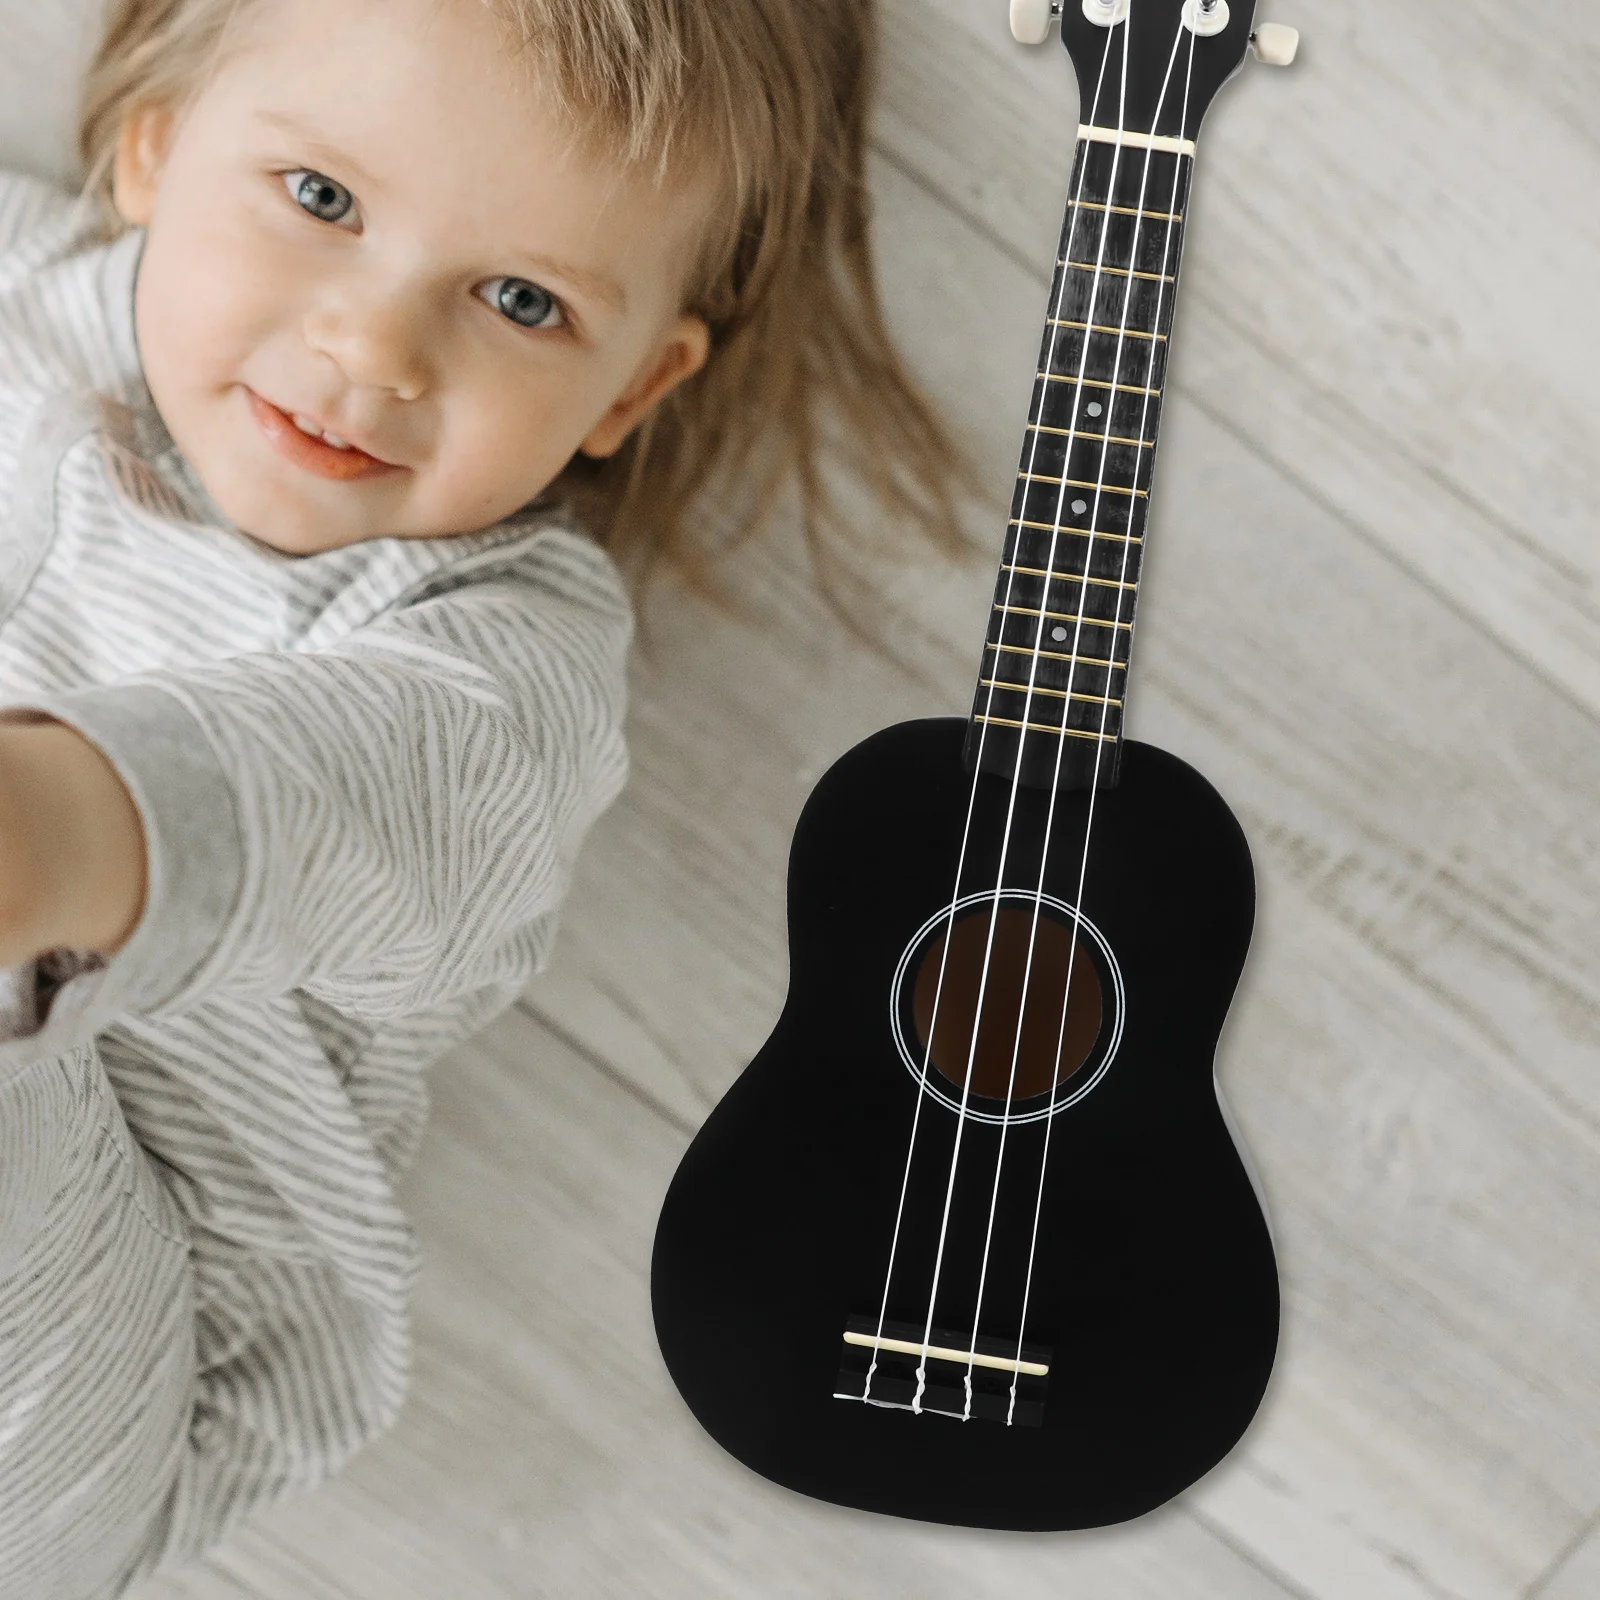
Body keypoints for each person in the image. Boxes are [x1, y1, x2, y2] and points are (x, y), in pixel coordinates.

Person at [0, 0, 972, 1591]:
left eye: (520, 301)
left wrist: (53, 834)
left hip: (100, 1335)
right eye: (320, 200)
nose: (373, 349)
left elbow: (356, 799)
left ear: (628, 389)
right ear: (157, 146)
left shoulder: (504, 658)